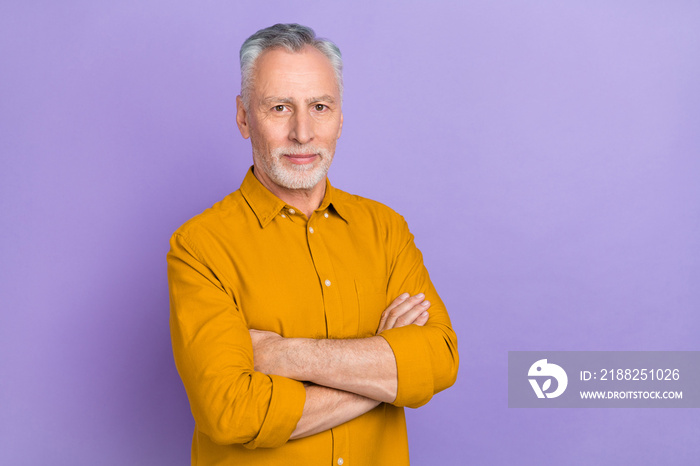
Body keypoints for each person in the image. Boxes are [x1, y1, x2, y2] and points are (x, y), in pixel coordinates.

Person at [167, 23, 459, 465]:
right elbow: (232, 411)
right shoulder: (200, 246)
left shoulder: (386, 229)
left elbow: (439, 360)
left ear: (340, 117)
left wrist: (281, 355)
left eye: (320, 106)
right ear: (245, 117)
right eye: (280, 107)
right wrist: (385, 369)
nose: (302, 133)